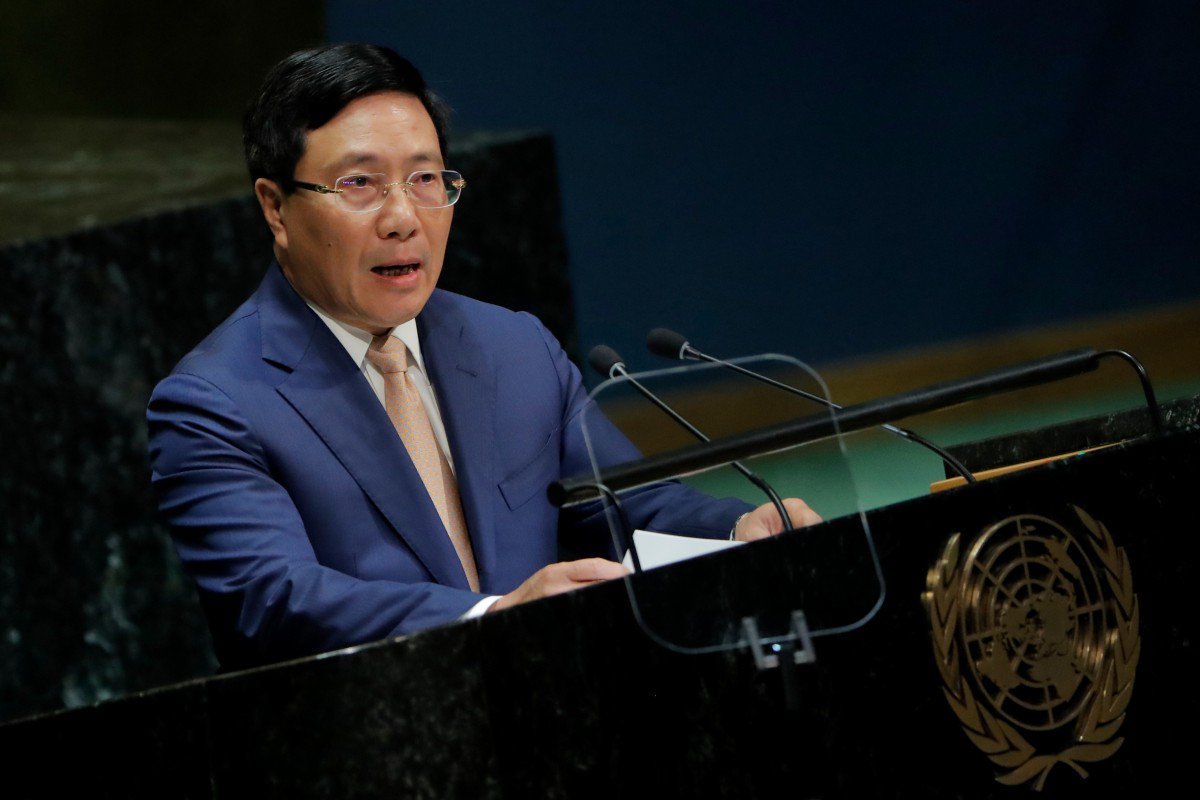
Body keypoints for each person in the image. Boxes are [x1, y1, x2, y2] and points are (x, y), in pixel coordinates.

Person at [147, 43, 818, 670]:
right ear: (276, 207)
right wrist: (495, 617)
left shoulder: (511, 347)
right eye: (359, 184)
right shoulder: (215, 404)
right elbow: (277, 600)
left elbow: (621, 508)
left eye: (426, 178)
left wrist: (736, 528)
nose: (403, 216)